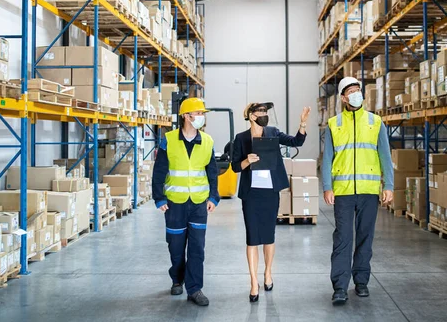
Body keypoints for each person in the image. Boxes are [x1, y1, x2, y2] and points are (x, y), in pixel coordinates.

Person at [321, 77, 394, 306]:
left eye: (357, 90)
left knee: (365, 237)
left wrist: (389, 185)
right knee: (343, 239)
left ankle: (361, 281)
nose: (355, 94)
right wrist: (327, 186)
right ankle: (340, 286)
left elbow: (385, 156)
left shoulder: (375, 122)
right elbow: (327, 159)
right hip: (342, 191)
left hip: (368, 190)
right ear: (343, 98)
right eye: (350, 91)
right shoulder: (334, 124)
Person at [232, 102, 310, 303]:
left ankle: (267, 273)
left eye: (266, 112)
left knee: (268, 236)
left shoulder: (273, 132)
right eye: (260, 112)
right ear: (251, 115)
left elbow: (295, 142)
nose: (264, 114)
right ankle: (253, 282)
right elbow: (234, 167)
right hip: (251, 194)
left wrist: (302, 125)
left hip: (270, 193)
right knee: (252, 238)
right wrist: (246, 161)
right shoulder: (241, 138)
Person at [152, 97, 220, 307]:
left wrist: (214, 197)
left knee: (197, 248)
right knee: (176, 246)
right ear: (186, 116)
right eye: (198, 114)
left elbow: (212, 172)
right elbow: (159, 171)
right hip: (175, 203)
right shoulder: (169, 140)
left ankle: (195, 288)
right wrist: (159, 197)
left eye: (202, 114)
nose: (201, 117)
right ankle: (177, 279)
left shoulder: (207, 141)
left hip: (199, 203)